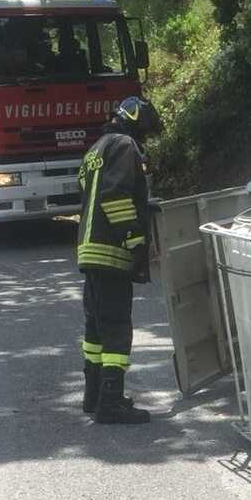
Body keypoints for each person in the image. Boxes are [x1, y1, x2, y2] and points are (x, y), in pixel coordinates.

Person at [77, 97, 162, 424]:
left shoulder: (94, 151)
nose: (145, 140)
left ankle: (93, 395)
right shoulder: (126, 146)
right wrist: (137, 242)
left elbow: (91, 196)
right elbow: (115, 198)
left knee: (95, 325)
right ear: (136, 122)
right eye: (146, 133)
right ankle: (110, 402)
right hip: (111, 250)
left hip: (88, 250)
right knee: (116, 327)